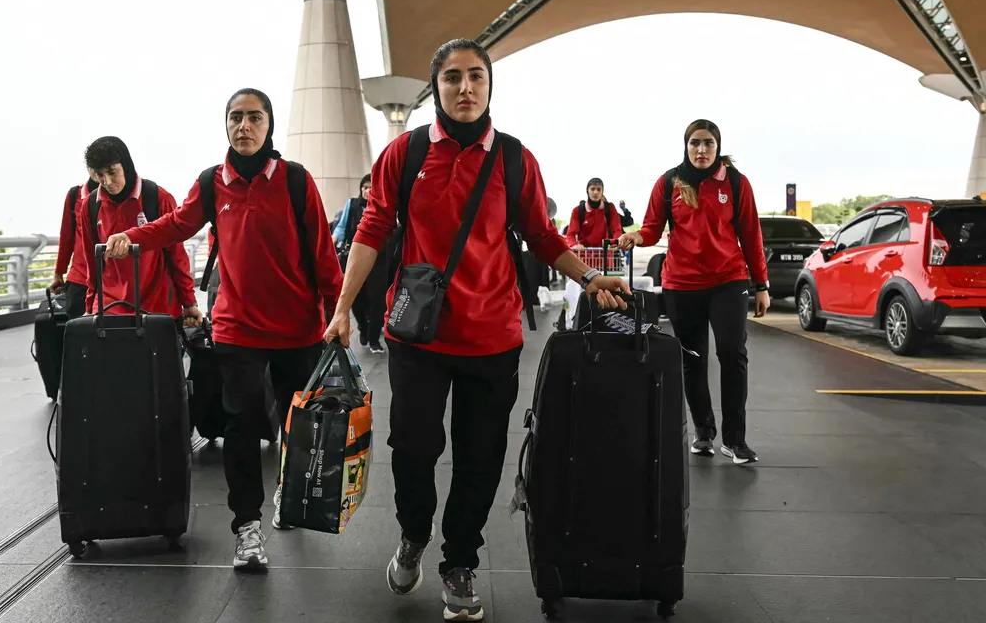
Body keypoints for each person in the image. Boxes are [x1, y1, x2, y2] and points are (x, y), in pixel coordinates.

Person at [324, 38, 629, 622]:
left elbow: (541, 235)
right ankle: (414, 533)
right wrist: (341, 309)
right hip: (417, 334)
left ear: (490, 86)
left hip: (491, 336)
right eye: (452, 78)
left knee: (480, 457)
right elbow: (372, 228)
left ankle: (460, 561)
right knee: (413, 446)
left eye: (476, 77)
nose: (465, 88)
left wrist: (590, 277)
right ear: (435, 88)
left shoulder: (514, 159)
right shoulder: (406, 153)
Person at [103, 88, 343, 572]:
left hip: (298, 326)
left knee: (299, 425)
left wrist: (340, 313)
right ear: (226, 125)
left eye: (254, 117)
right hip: (237, 327)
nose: (244, 126)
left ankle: (288, 493)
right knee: (241, 424)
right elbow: (176, 225)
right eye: (236, 117)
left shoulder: (296, 180)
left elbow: (322, 252)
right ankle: (247, 527)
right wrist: (131, 236)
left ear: (269, 125)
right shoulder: (213, 183)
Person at [618, 119, 769, 465]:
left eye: (708, 143)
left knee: (732, 354)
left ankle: (735, 440)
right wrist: (636, 236)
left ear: (718, 146)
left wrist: (761, 285)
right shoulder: (669, 182)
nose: (701, 150)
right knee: (693, 358)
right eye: (695, 143)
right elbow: (652, 228)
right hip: (682, 284)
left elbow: (751, 235)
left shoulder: (735, 182)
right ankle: (704, 432)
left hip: (728, 280)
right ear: (686, 147)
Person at [75, 136, 201, 330]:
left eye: (112, 172)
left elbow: (177, 257)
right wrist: (90, 306)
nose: (107, 181)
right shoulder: (90, 206)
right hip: (110, 307)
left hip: (157, 306)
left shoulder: (158, 198)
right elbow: (92, 262)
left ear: (126, 165)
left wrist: (189, 302)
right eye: (100, 175)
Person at [330, 174, 386, 353]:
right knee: (356, 298)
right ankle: (363, 326)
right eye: (364, 187)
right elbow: (341, 225)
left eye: (370, 187)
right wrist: (334, 238)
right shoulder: (353, 205)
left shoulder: (383, 206)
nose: (366, 191)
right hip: (354, 258)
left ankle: (374, 339)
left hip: (378, 260)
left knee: (377, 300)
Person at [562, 177, 624, 328]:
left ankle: (606, 325)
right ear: (587, 191)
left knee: (606, 295)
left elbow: (617, 229)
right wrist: (575, 245)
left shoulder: (609, 209)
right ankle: (579, 323)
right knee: (583, 294)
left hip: (605, 259)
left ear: (602, 191)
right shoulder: (578, 211)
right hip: (585, 261)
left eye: (598, 189)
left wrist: (615, 242)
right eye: (592, 189)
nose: (595, 192)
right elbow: (571, 234)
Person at [50, 168, 100, 318]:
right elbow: (66, 237)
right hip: (80, 278)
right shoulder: (75, 195)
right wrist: (59, 273)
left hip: (114, 282)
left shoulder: (122, 196)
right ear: (88, 167)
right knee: (77, 328)